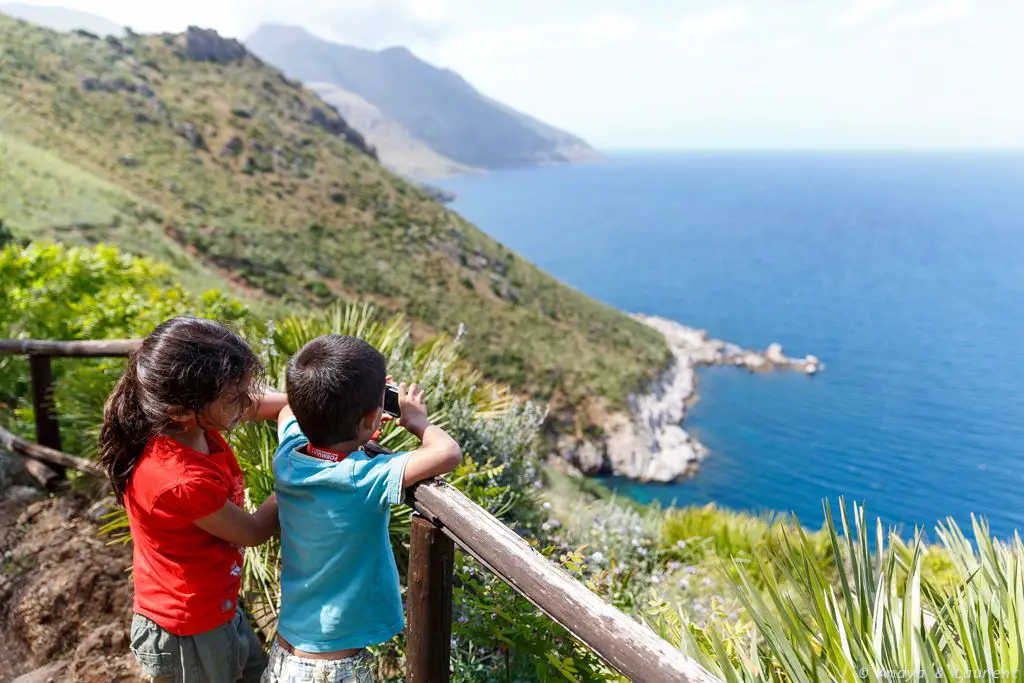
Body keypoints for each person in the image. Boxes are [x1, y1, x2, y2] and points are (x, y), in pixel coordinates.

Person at [99, 317, 287, 683]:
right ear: (182, 410)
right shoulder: (179, 479)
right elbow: (251, 531)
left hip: (212, 606)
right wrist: (300, 475)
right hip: (189, 631)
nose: (246, 402)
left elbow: (252, 405)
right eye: (235, 396)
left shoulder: (183, 422)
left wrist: (324, 400)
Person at [265, 334, 463, 683]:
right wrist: (417, 421)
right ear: (372, 416)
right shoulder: (361, 477)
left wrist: (360, 423)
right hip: (333, 667)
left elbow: (288, 411)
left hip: (288, 652)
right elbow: (447, 453)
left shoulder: (290, 453)